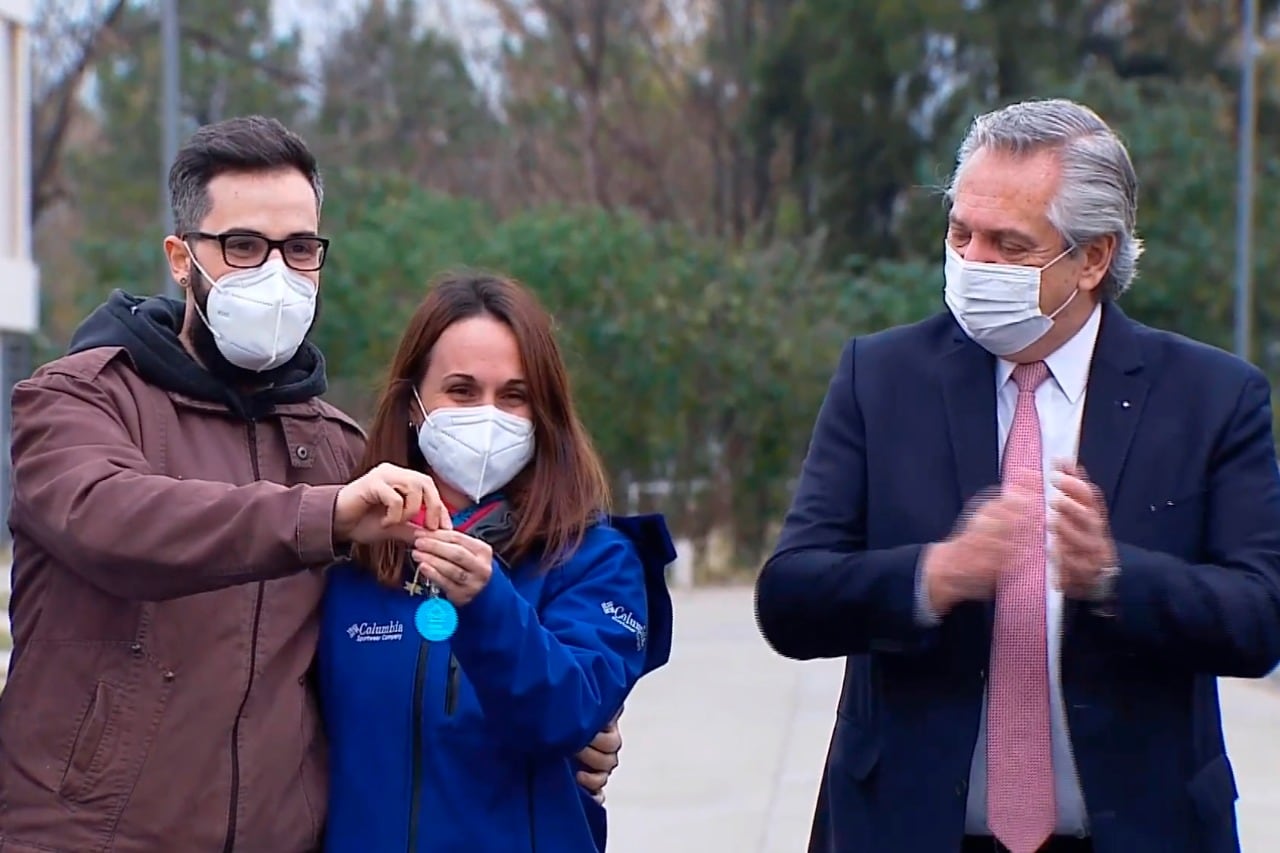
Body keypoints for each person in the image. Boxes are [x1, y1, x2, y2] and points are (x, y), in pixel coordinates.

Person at [0, 116, 628, 852]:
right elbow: (108, 519)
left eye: (299, 249)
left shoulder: (337, 447)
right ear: (180, 258)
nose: (276, 273)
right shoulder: (78, 398)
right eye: (242, 247)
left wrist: (580, 720)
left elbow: (384, 659)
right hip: (90, 836)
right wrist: (324, 516)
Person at [755, 97, 1280, 853]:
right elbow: (790, 596)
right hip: (909, 829)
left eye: (1009, 244)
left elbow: (1260, 617)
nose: (974, 263)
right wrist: (933, 575)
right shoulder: (882, 378)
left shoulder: (1211, 397)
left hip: (1137, 830)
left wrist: (1113, 575)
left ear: (1094, 257)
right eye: (960, 233)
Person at [317, 271, 674, 853]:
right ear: (413, 406)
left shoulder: (595, 560)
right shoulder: (346, 561)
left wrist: (487, 604)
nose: (488, 416)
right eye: (460, 391)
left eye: (514, 396)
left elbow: (570, 713)